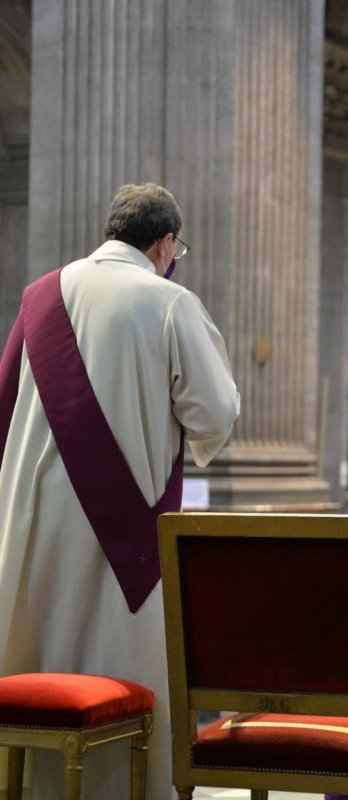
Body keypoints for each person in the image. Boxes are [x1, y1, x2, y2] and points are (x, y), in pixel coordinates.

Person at [0, 184, 239, 799]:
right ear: (164, 243)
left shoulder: (37, 298)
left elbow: (4, 407)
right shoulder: (168, 301)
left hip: (32, 521)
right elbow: (214, 412)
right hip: (123, 535)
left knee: (32, 661)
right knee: (117, 664)